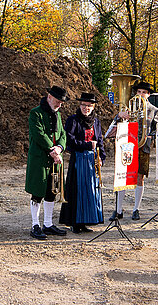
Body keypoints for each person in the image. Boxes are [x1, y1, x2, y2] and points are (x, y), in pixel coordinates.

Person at [109, 81, 158, 221]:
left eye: (144, 92)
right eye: (138, 92)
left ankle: (136, 209)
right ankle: (118, 210)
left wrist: (151, 136)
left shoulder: (154, 110)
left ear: (148, 95)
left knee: (139, 177)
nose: (141, 94)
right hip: (127, 146)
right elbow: (115, 126)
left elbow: (157, 129)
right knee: (123, 176)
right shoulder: (128, 108)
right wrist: (120, 115)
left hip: (144, 146)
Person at [25, 86, 69, 240]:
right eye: (58, 101)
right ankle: (35, 225)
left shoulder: (58, 114)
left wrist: (59, 148)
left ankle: (48, 224)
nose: (59, 105)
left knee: (52, 191)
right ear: (49, 97)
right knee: (37, 192)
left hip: (54, 158)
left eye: (61, 103)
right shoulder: (35, 113)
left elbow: (62, 134)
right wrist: (52, 150)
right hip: (40, 158)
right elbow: (38, 134)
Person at [59, 92, 106, 233]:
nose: (86, 108)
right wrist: (86, 145)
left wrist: (101, 157)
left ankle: (86, 221)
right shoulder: (73, 120)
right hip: (78, 159)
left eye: (89, 105)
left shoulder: (96, 121)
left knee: (90, 191)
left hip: (92, 161)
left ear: (93, 107)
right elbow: (69, 140)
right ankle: (75, 222)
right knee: (77, 191)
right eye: (84, 105)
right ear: (80, 105)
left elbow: (100, 141)